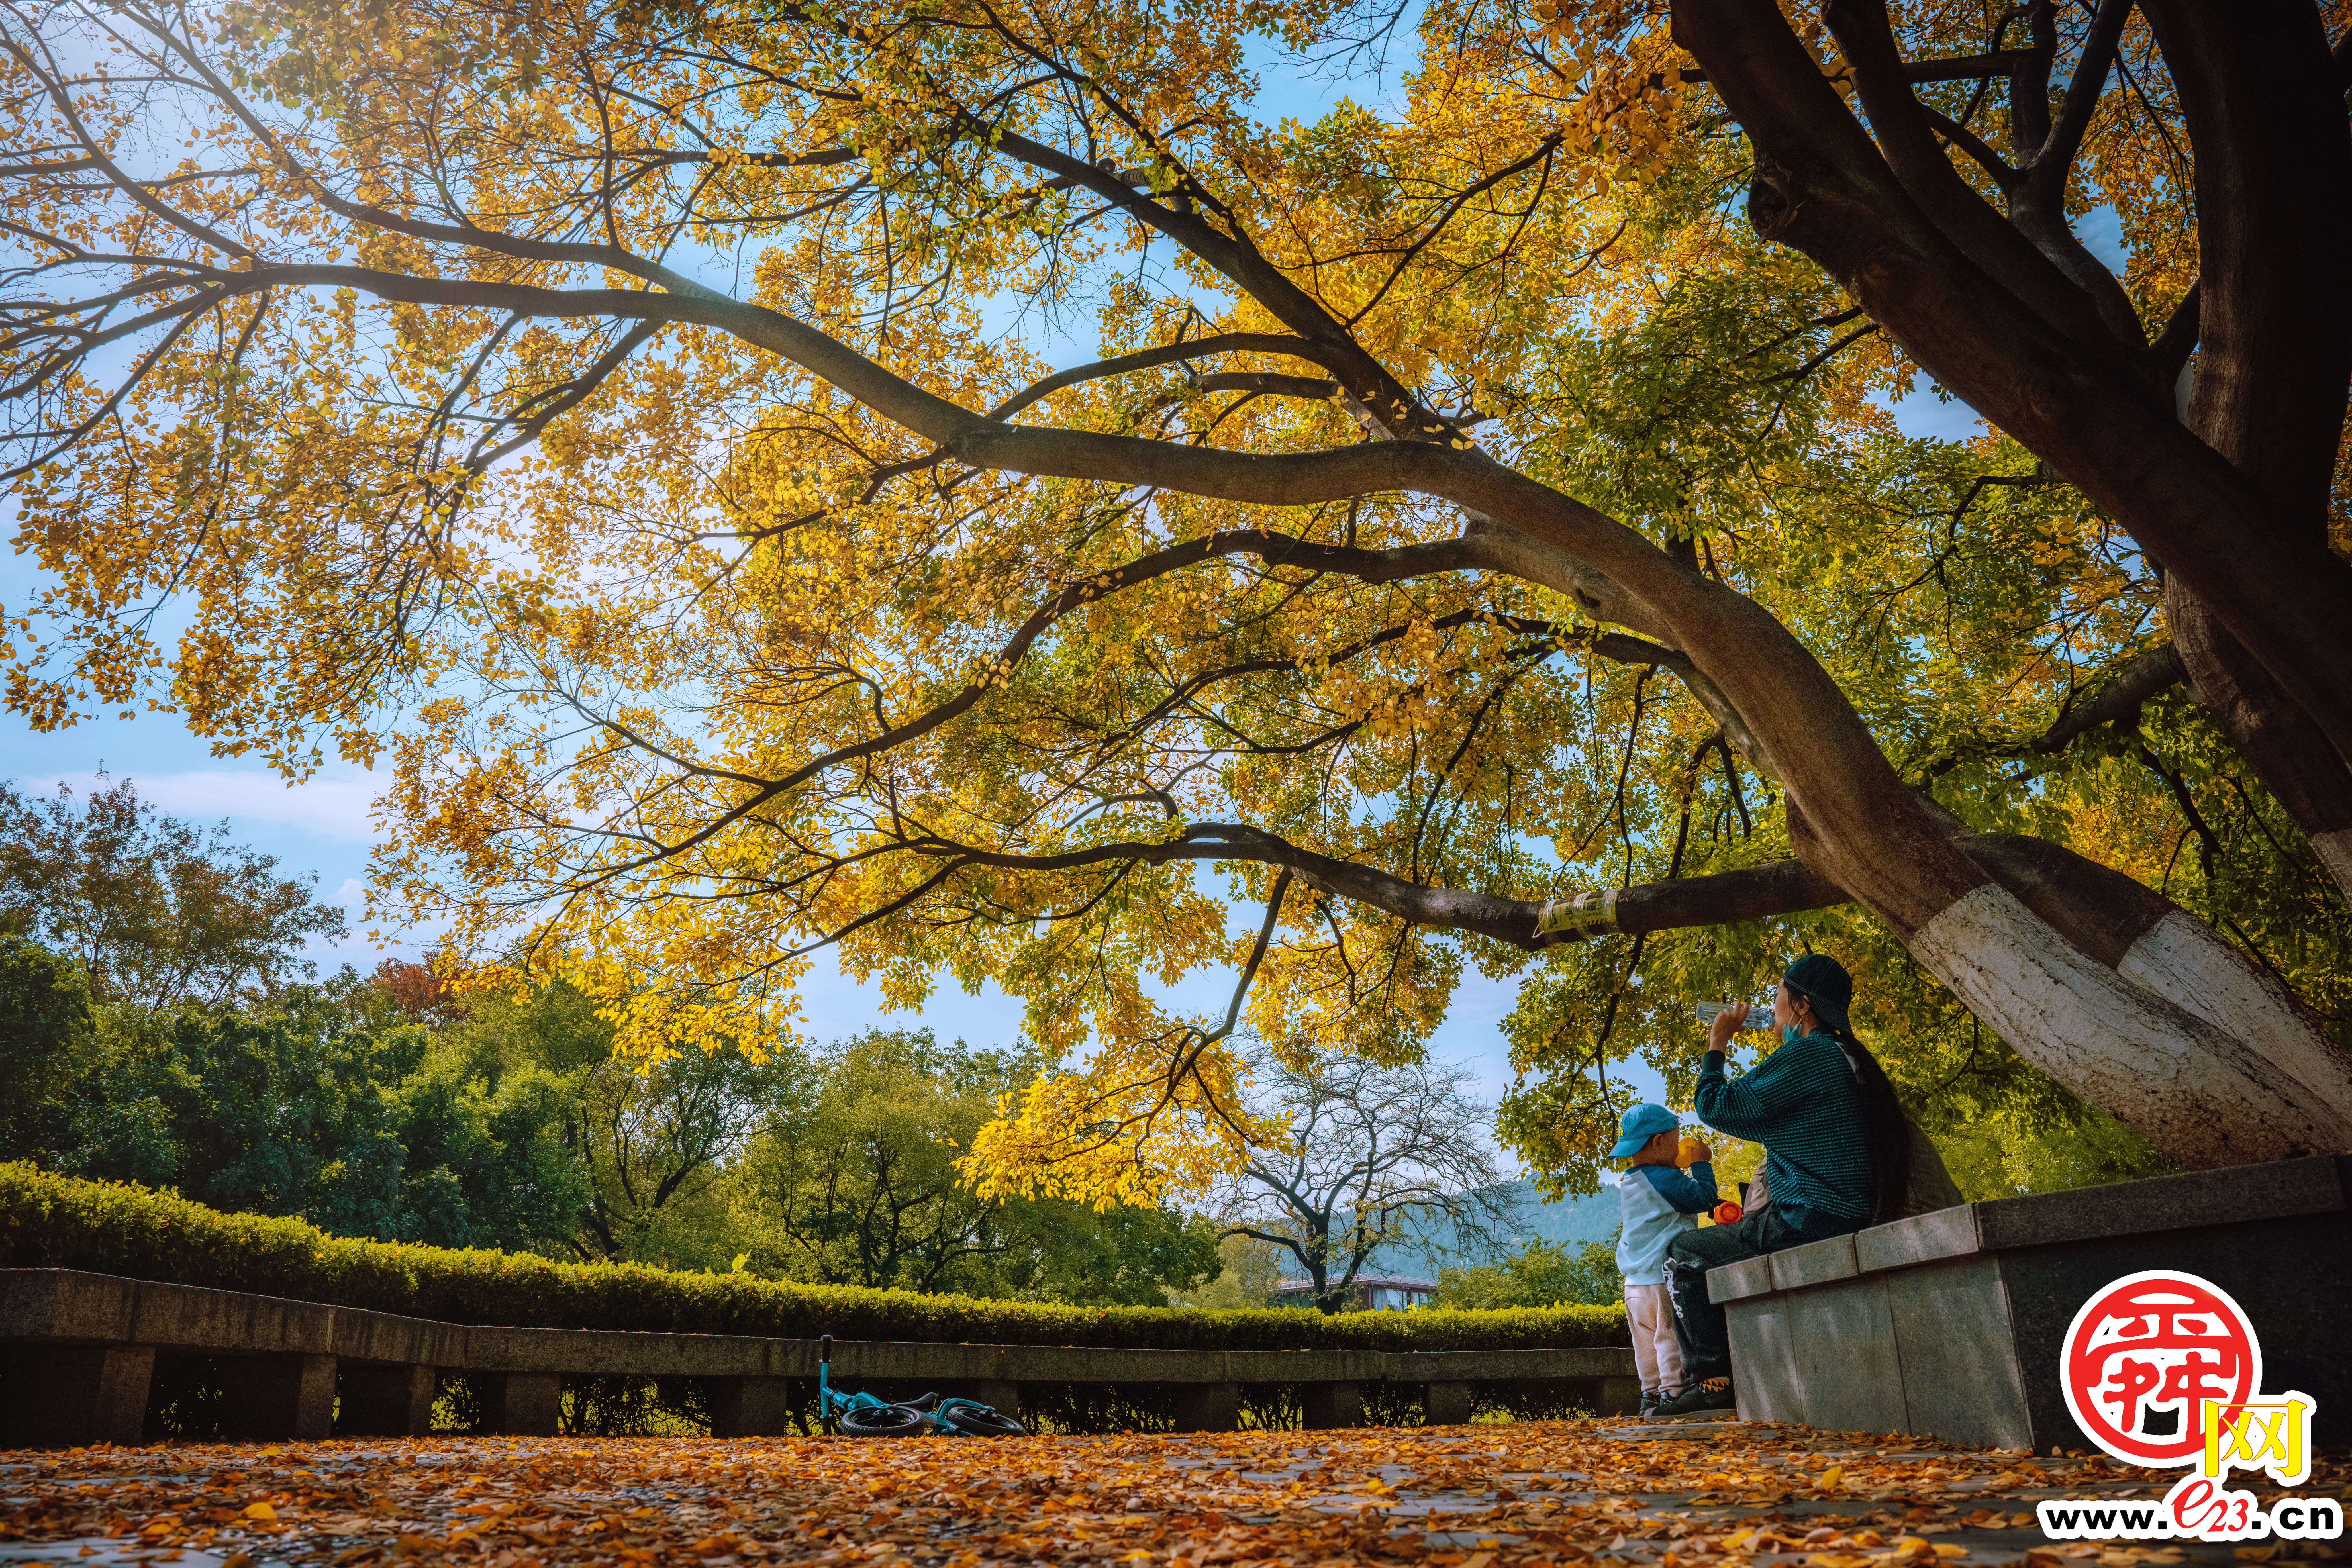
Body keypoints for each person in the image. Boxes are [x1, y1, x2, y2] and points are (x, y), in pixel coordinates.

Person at [1651, 952, 1912, 1416]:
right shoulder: (1849, 1056)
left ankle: (1712, 1382)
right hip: (1853, 1210)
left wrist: (1718, 1040)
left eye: (1777, 997)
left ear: (1801, 1005)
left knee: (1683, 1252)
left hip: (1810, 1214)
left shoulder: (1809, 1054)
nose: (1772, 1009)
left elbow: (1716, 1104)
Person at [1606, 1103, 1721, 1417]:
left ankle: (1651, 1395)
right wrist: (1700, 1165)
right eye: (1676, 1139)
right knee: (1669, 1337)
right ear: (1658, 1142)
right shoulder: (1665, 1178)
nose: (1678, 1145)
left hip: (1634, 1284)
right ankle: (1675, 1394)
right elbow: (1703, 1198)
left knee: (1645, 1344)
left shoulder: (1631, 1180)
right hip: (1662, 1277)